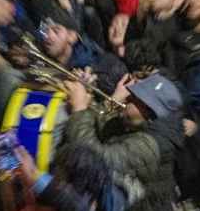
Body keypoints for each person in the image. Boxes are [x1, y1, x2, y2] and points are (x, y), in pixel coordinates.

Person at [64, 69, 186, 202]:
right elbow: (102, 127)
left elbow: (92, 159)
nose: (126, 98)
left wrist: (79, 109)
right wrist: (111, 101)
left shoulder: (146, 147)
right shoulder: (134, 120)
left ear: (149, 113)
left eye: (134, 98)